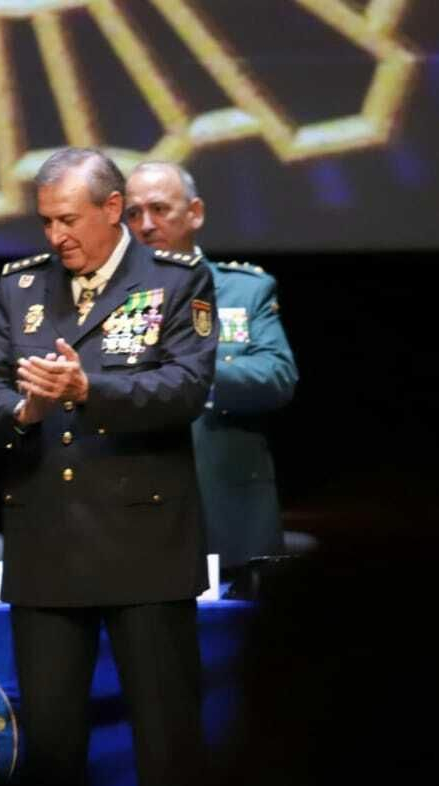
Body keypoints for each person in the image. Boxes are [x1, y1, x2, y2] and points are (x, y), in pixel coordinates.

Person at [0, 147, 219, 786]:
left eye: (68, 220)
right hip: (48, 542)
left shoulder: (176, 278)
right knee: (51, 756)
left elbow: (186, 389)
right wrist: (26, 411)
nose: (55, 237)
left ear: (113, 210)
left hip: (145, 546)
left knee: (167, 752)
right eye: (45, 222)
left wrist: (88, 391)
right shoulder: (21, 287)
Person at [126, 161, 298, 575]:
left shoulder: (244, 289)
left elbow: (277, 375)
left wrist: (190, 375)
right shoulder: (111, 300)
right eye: (133, 214)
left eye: (159, 209)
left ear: (195, 213)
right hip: (136, 510)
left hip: (227, 506)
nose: (145, 224)